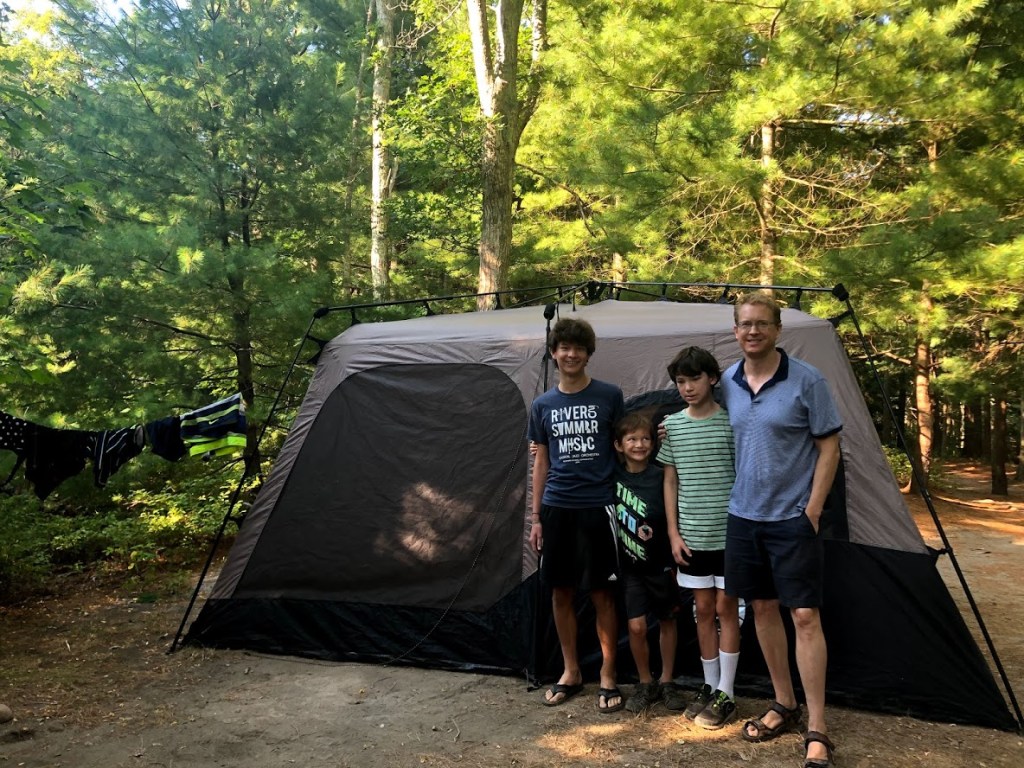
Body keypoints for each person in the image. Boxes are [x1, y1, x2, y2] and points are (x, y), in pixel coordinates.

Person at [722, 293, 842, 768]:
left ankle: (818, 727)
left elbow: (829, 447)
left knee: (805, 616)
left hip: (792, 518)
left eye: (762, 324)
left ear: (777, 330)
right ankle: (784, 703)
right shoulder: (727, 381)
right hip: (743, 516)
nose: (753, 331)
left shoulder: (807, 381)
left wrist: (812, 509)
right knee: (762, 608)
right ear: (736, 331)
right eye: (745, 324)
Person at [528, 317, 626, 713]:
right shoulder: (542, 405)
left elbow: (625, 444)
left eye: (578, 348)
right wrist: (536, 517)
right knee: (560, 592)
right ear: (554, 354)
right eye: (564, 348)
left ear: (588, 354)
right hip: (557, 508)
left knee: (602, 593)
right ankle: (571, 671)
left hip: (599, 507)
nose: (571, 354)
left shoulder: (610, 395)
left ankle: (608, 673)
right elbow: (541, 461)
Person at [657, 346, 740, 729]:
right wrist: (673, 533)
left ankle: (727, 692)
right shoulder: (673, 426)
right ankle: (709, 686)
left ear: (713, 379)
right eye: (681, 381)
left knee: (727, 610)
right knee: (703, 611)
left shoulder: (731, 423)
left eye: (695, 379)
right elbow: (669, 481)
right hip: (690, 537)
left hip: (729, 537)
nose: (688, 387)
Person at [611, 412, 680, 715]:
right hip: (630, 570)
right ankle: (644, 682)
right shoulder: (613, 475)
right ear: (618, 445)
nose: (639, 445)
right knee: (636, 626)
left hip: (661, 564)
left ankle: (667, 681)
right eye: (632, 439)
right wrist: (541, 448)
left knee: (668, 620)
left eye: (645, 439)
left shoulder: (661, 475)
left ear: (653, 443)